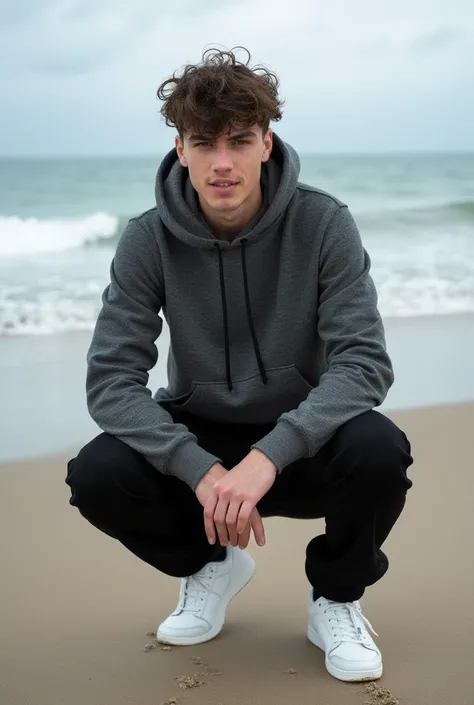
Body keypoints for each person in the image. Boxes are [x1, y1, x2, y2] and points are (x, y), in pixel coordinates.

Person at [66, 46, 413, 683]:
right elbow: (111, 382)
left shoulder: (324, 223)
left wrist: (269, 456)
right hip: (203, 442)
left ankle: (336, 598)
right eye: (204, 142)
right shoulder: (148, 239)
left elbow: (364, 363)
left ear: (266, 142)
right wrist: (199, 471)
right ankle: (210, 566)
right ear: (181, 148)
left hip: (302, 442)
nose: (222, 163)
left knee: (378, 447)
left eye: (240, 140)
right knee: (97, 473)